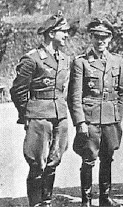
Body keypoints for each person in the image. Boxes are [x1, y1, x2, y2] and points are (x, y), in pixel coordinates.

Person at [9, 12, 71, 207]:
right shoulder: (32, 59)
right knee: (37, 163)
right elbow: (18, 91)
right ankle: (35, 204)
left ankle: (47, 201)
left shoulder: (64, 59)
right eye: (63, 31)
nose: (66, 35)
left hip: (59, 116)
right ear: (51, 33)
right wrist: (27, 114)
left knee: (54, 161)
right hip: (39, 117)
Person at [67, 18, 123, 206]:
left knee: (108, 157)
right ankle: (86, 200)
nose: (101, 41)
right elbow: (74, 96)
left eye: (105, 37)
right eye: (97, 37)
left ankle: (105, 198)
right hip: (90, 119)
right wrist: (80, 123)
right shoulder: (81, 62)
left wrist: (118, 116)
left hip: (110, 118)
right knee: (89, 159)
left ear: (110, 39)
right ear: (91, 37)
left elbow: (121, 92)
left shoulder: (117, 60)